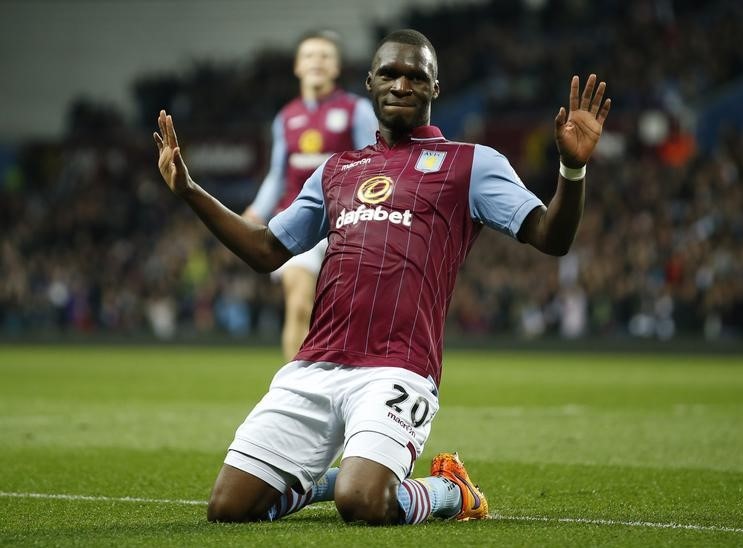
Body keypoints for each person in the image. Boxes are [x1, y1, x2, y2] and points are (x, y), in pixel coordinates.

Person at [154, 29, 610, 526]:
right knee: (229, 509)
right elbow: (265, 250)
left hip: (399, 368)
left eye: (417, 77)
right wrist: (191, 190)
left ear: (436, 88)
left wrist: (570, 170)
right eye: (390, 73)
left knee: (365, 503)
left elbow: (551, 236)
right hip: (316, 365)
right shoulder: (336, 170)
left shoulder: (470, 164)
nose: (402, 84)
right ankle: (322, 480)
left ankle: (451, 491)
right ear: (369, 82)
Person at [243, 30, 378, 360]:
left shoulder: (356, 110)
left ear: (336, 67)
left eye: (325, 56)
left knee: (344, 315)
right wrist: (257, 210)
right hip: (298, 221)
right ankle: (291, 393)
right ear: (297, 66)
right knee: (299, 302)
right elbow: (278, 173)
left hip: (346, 223)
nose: (316, 62)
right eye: (309, 56)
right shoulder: (286, 117)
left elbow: (375, 162)